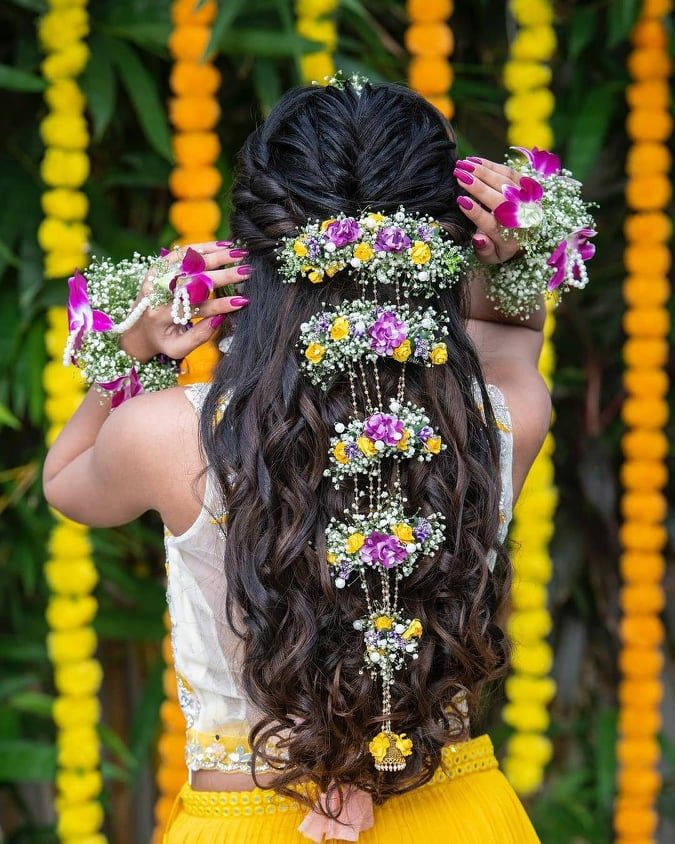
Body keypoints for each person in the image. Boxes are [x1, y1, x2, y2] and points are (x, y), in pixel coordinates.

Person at [44, 81, 551, 842]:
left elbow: (66, 483)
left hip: (246, 823)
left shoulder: (163, 435)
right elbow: (509, 335)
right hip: (457, 814)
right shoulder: (496, 420)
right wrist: (518, 255)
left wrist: (136, 349)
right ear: (444, 250)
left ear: (254, 254)